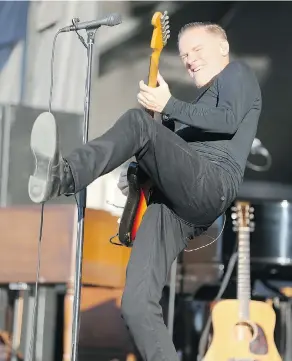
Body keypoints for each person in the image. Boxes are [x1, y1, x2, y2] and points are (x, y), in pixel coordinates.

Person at [28, 22, 261, 361]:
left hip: (212, 183)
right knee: (136, 303)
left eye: (197, 50)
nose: (189, 60)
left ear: (223, 48)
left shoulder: (237, 74)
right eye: (183, 55)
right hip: (175, 202)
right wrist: (135, 171)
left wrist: (168, 105)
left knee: (138, 123)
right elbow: (165, 148)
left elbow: (225, 120)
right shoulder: (194, 109)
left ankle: (63, 176)